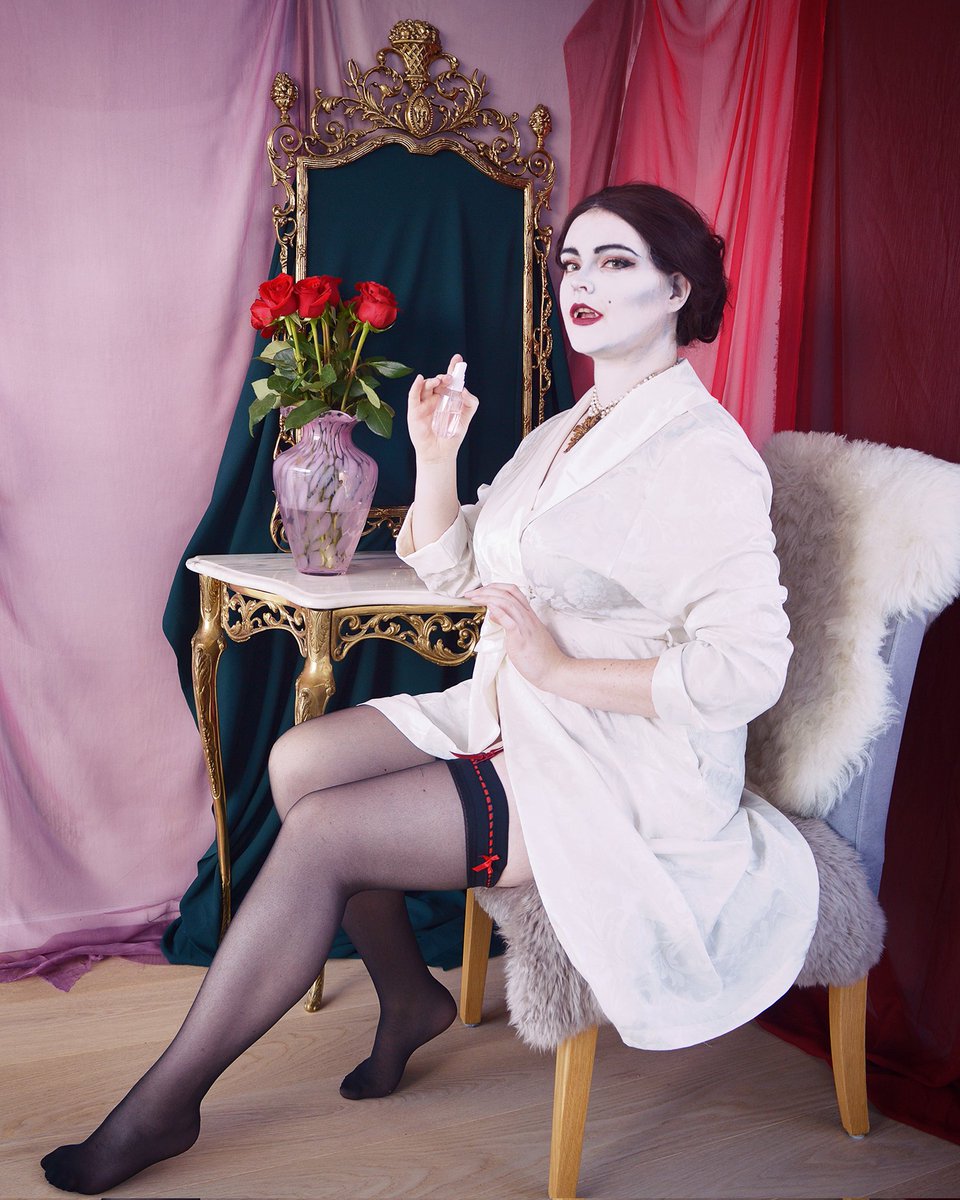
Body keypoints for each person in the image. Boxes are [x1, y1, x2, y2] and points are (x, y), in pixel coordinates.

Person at [41, 183, 819, 1195]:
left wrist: (557, 669)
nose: (581, 282)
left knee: (323, 833)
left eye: (615, 262)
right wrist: (436, 456)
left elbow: (747, 668)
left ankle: (165, 1105)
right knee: (298, 761)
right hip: (519, 710)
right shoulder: (569, 429)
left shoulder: (704, 457)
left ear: (678, 289)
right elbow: (459, 574)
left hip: (621, 763)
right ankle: (409, 997)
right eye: (572, 262)